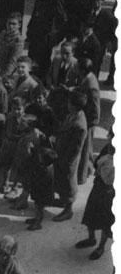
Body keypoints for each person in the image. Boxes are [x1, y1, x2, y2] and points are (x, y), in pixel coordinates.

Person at [75, 131, 114, 260]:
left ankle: (101, 247)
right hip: (99, 186)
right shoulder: (108, 147)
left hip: (111, 191)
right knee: (91, 212)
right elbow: (97, 162)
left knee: (106, 220)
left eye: (111, 134)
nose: (107, 136)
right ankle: (91, 238)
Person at [52, 91, 88, 222]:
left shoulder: (79, 124)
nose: (67, 104)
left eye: (69, 102)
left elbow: (76, 148)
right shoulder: (73, 115)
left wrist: (68, 161)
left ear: (74, 105)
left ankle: (68, 209)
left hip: (68, 159)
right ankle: (63, 201)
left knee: (69, 182)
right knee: (62, 180)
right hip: (62, 154)